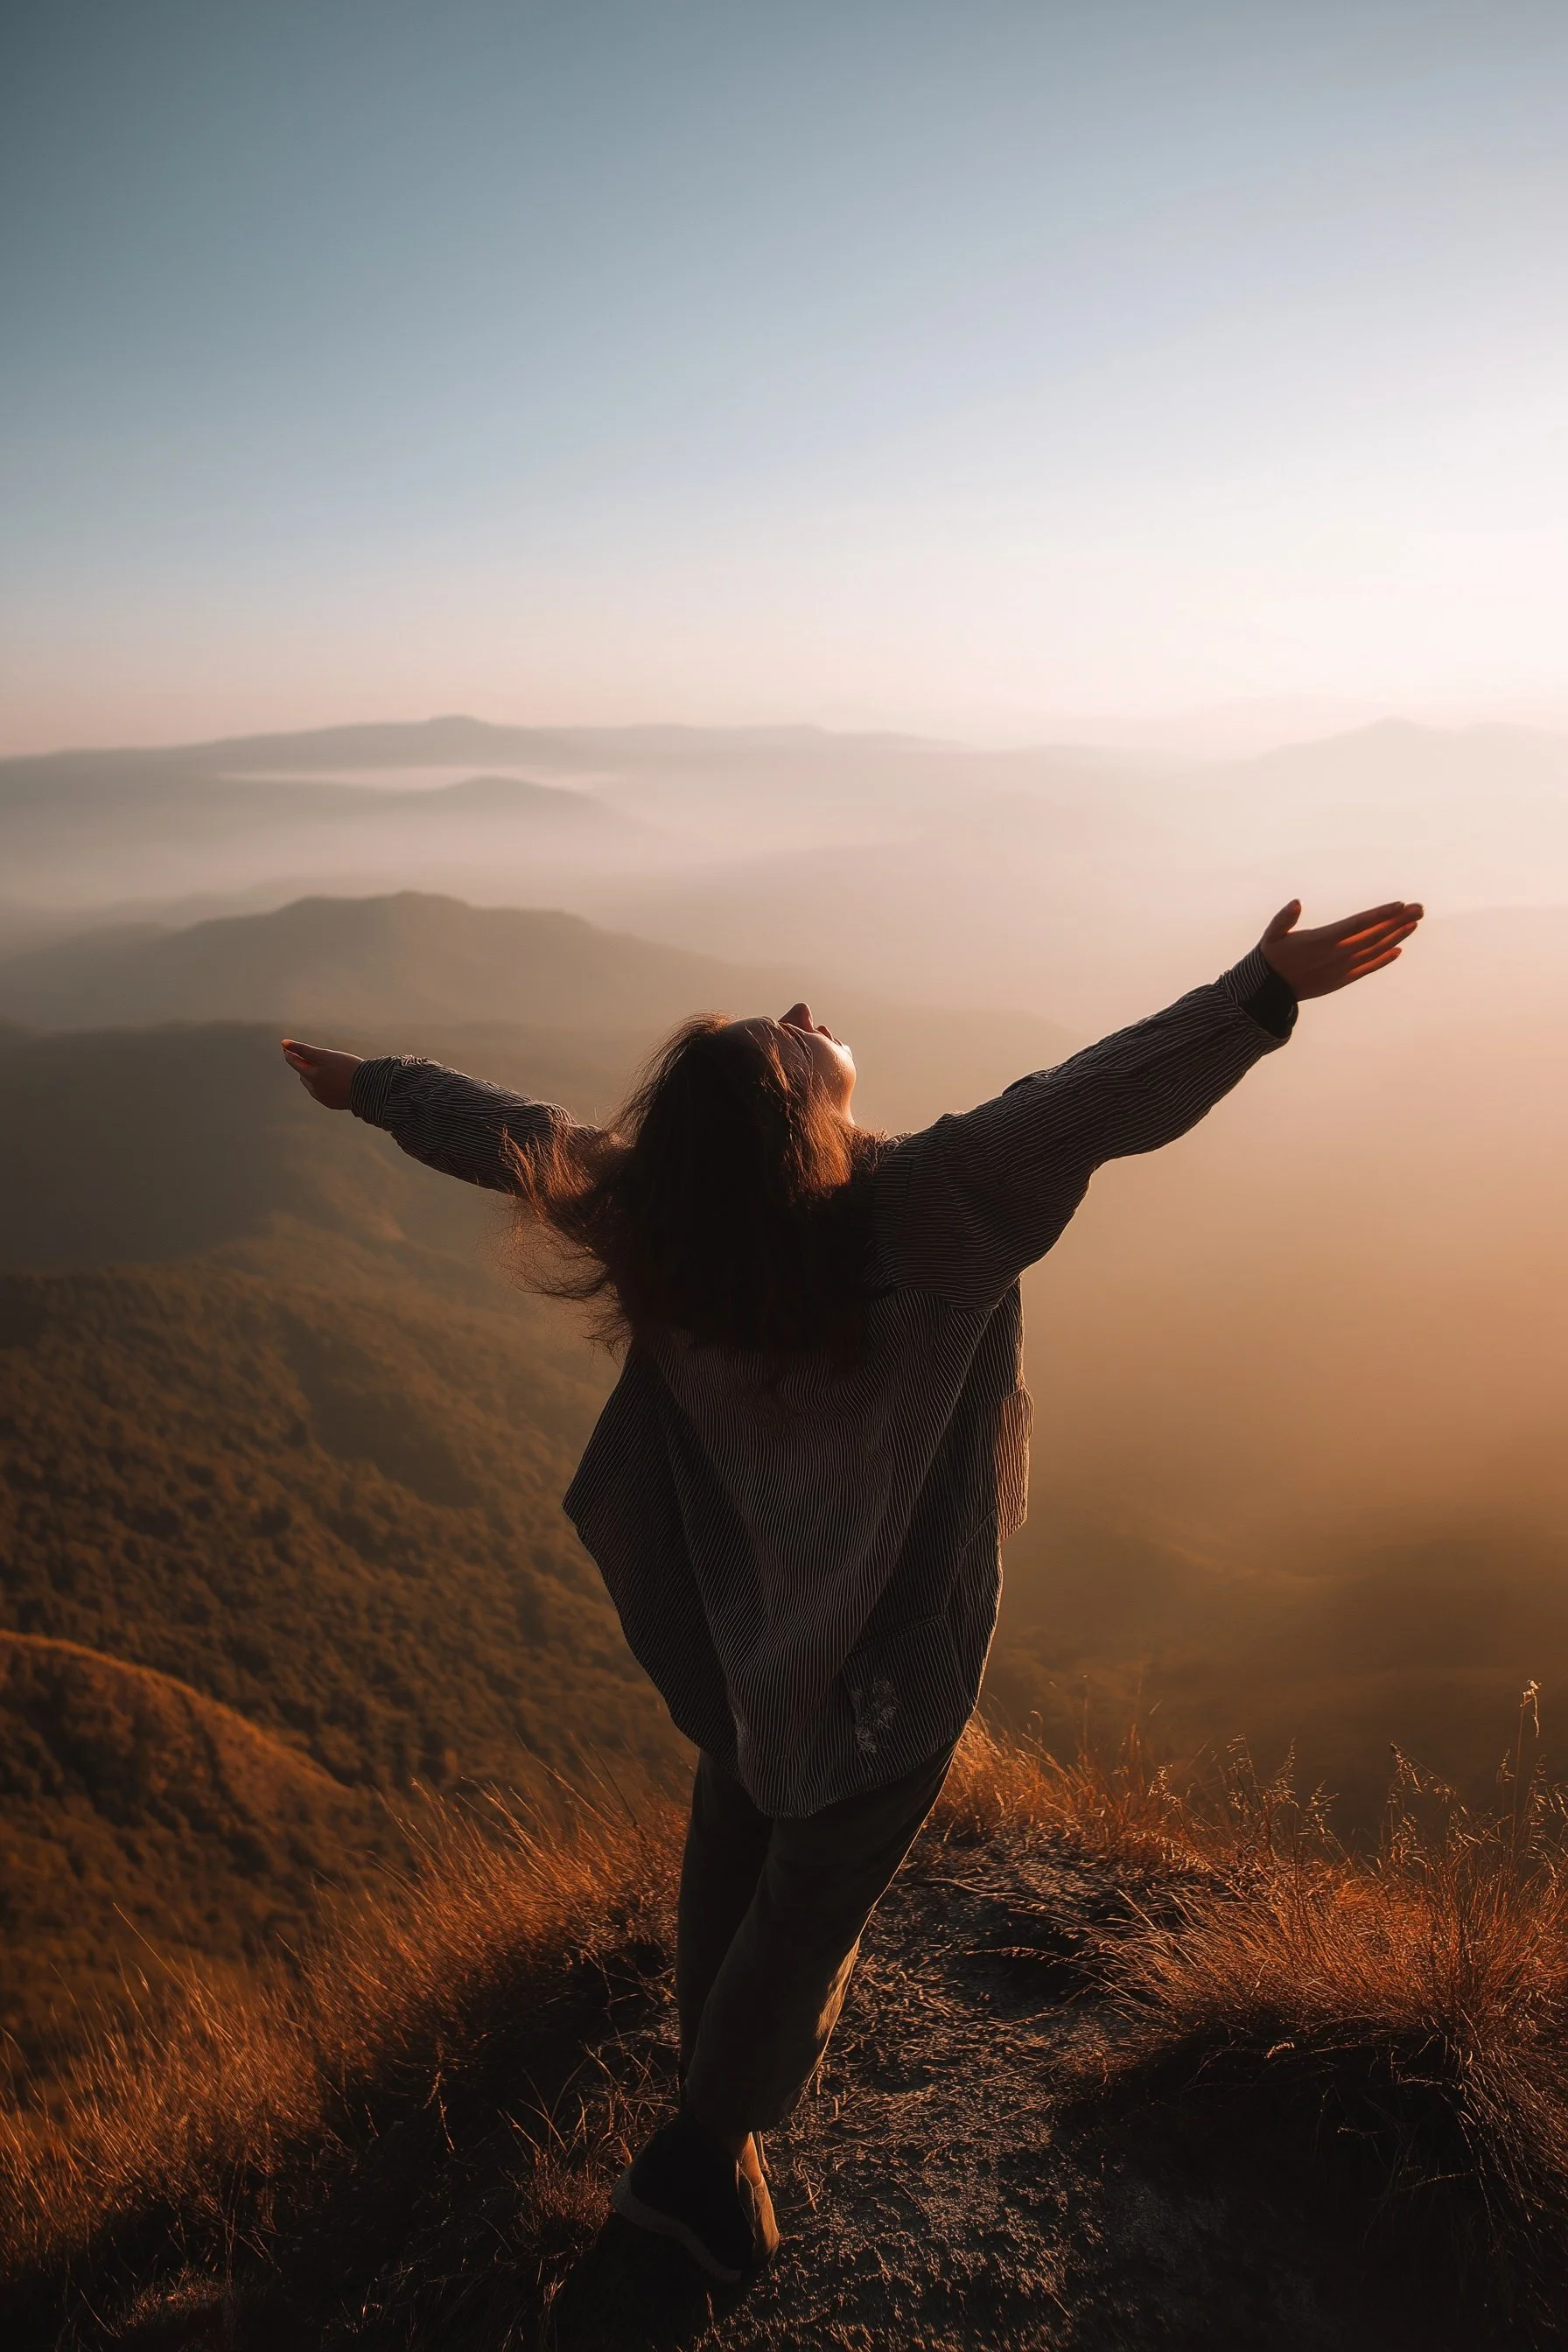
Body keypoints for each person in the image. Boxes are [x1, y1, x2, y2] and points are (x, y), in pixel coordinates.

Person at [282, 892, 1422, 2283]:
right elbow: (1097, 1097)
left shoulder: (666, 1214)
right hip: (890, 1659)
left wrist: (369, 1089)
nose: (807, 1011)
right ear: (795, 1116)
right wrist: (1259, 992)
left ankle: (716, 2151)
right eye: (788, 1038)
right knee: (810, 1903)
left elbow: (510, 1134)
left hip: (740, 1630)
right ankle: (700, 2160)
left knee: (741, 1835)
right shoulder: (931, 1204)